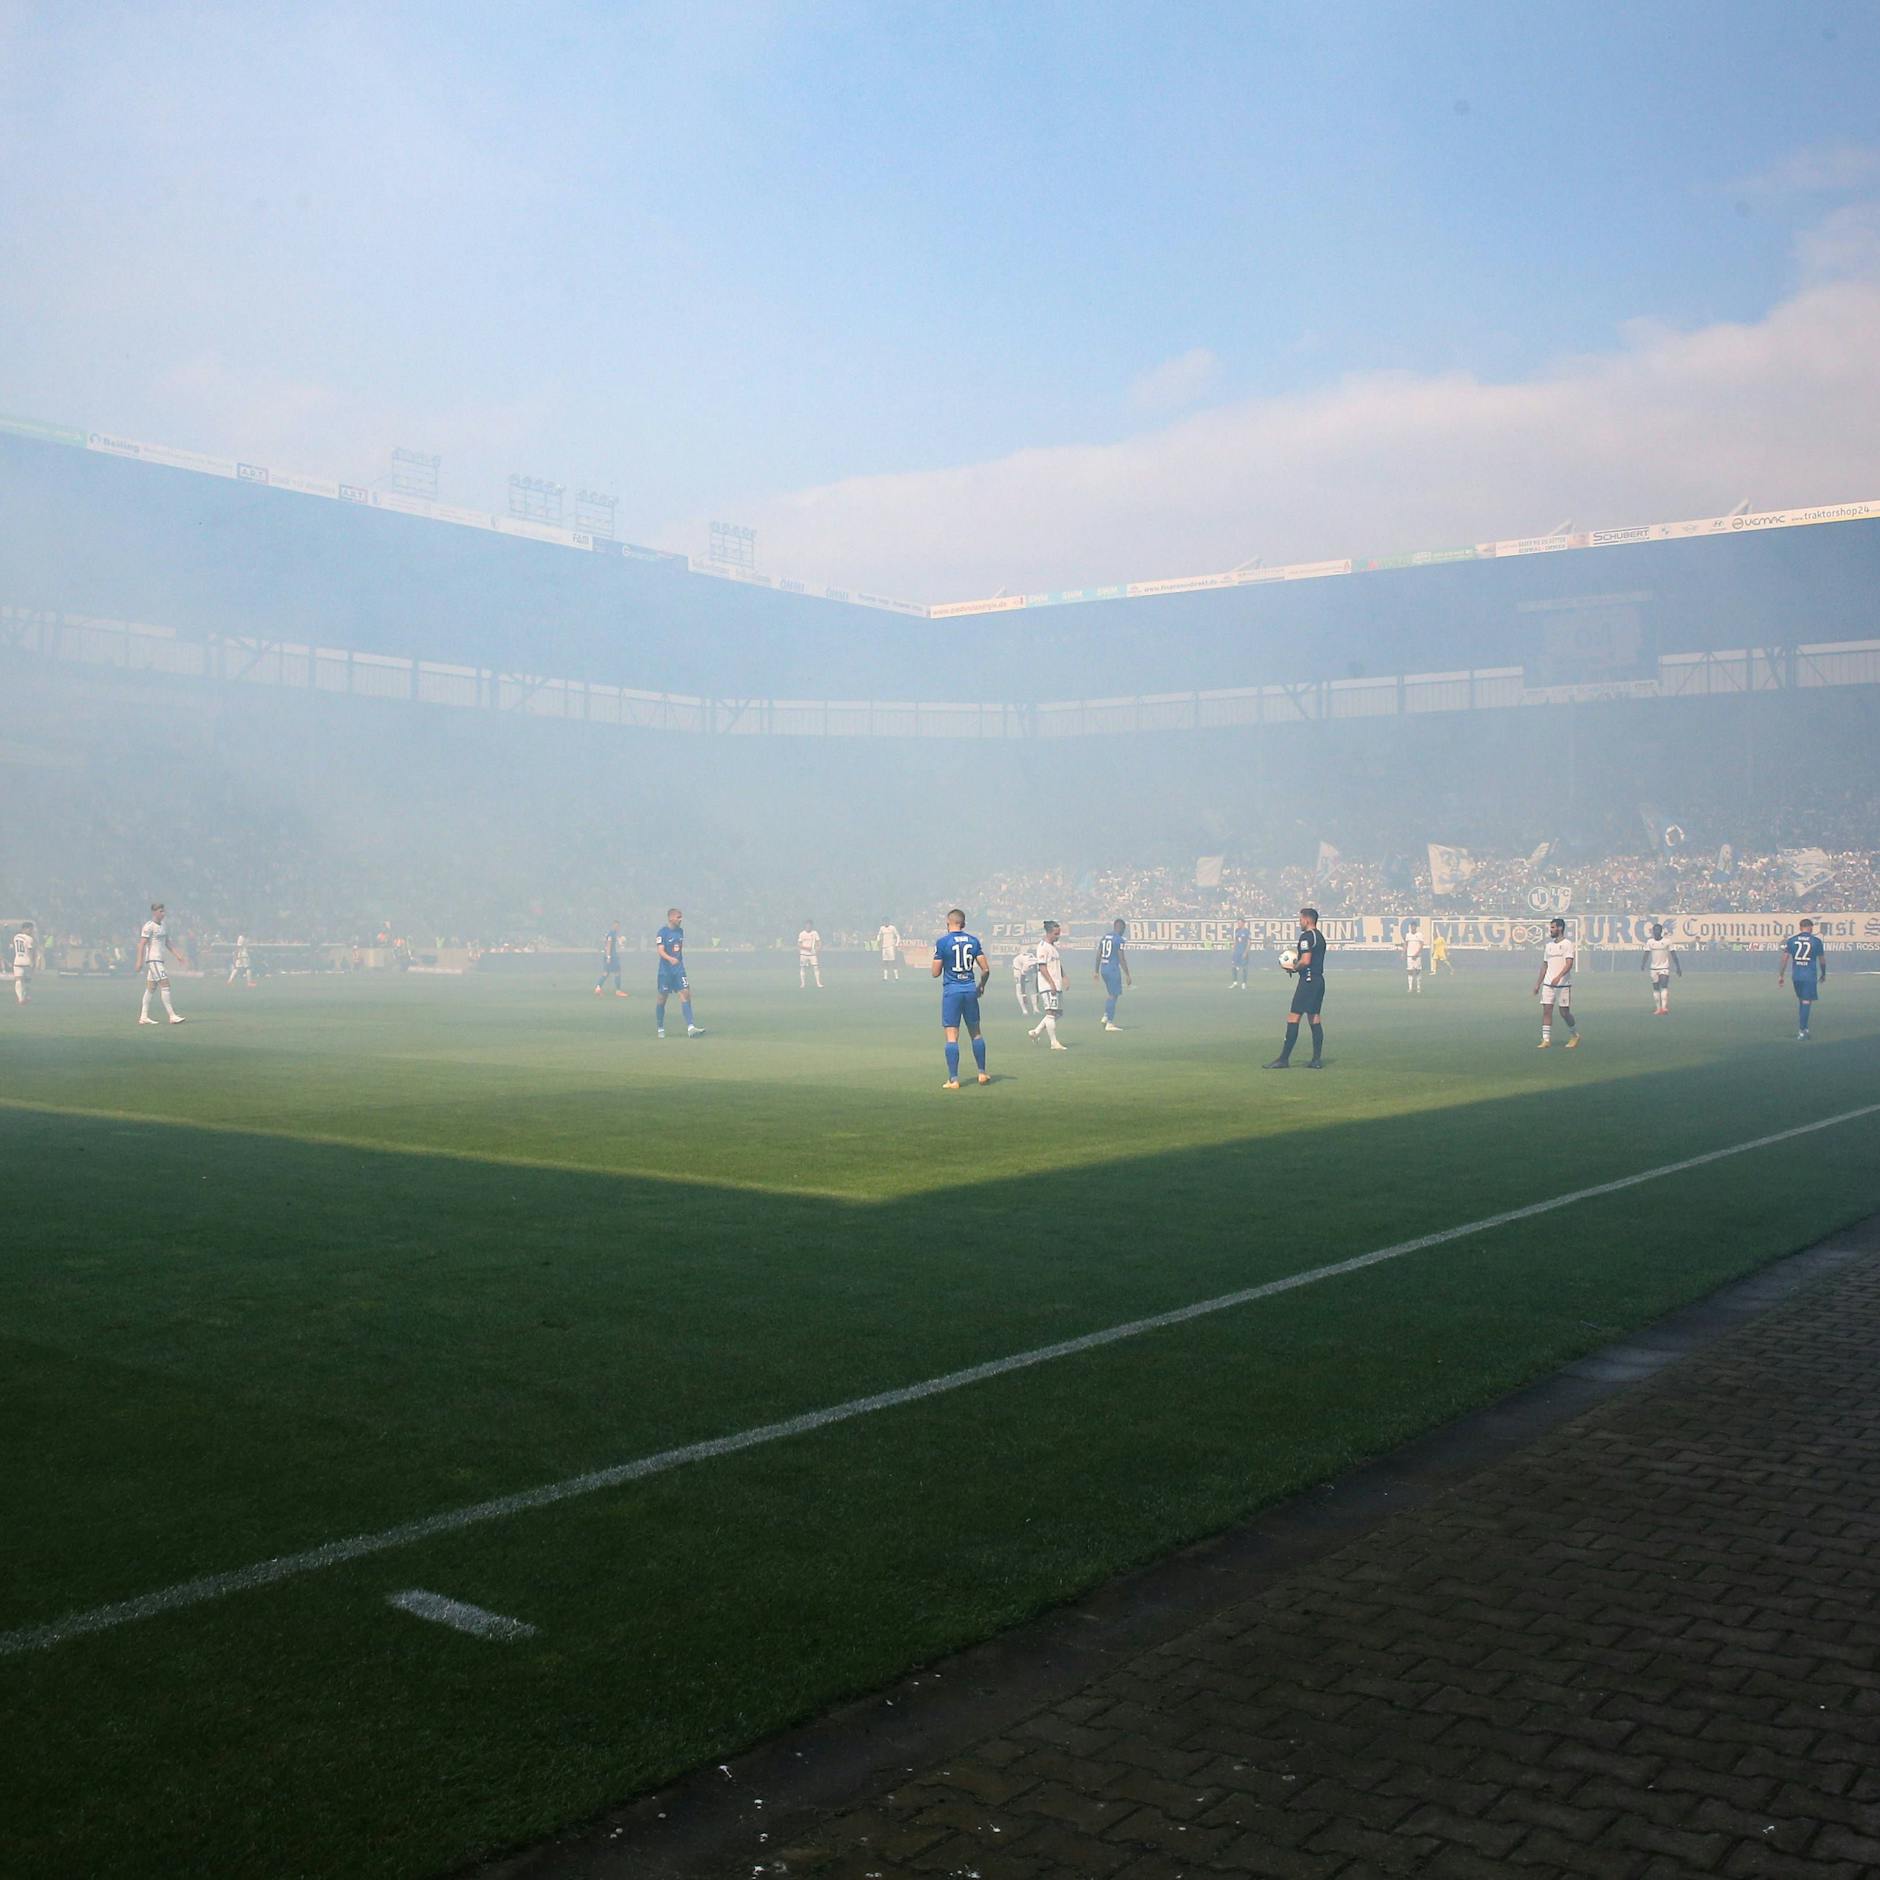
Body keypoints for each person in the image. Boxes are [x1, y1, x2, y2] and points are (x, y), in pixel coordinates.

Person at [931, 907, 991, 1088]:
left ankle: (954, 1079)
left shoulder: (943, 942)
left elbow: (935, 972)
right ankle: (982, 1073)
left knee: (952, 1036)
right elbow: (986, 969)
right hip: (970, 990)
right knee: (976, 1033)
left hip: (952, 991)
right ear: (963, 924)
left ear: (948, 923)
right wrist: (981, 985)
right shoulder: (973, 941)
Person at [1263, 907, 1326, 1069]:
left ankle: (1283, 1059)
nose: (1299, 923)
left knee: (1293, 1017)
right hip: (1318, 981)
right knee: (1314, 1018)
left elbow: (1305, 960)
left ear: (1307, 919)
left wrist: (1294, 968)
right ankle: (1316, 1060)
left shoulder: (1306, 937)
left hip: (1308, 981)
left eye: (1300, 920)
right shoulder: (1319, 936)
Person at [654, 907, 703, 1038]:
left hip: (679, 969)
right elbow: (660, 951)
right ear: (671, 918)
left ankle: (691, 1027)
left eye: (681, 917)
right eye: (678, 917)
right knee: (662, 998)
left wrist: (677, 961)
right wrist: (670, 959)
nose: (681, 919)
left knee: (685, 993)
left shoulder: (680, 931)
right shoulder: (662, 932)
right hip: (665, 971)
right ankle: (660, 1027)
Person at [136, 901, 187, 1026]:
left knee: (151, 988)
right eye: (161, 911)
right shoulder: (149, 926)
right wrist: (139, 961)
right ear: (154, 912)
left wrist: (178, 956)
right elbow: (141, 944)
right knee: (165, 984)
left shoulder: (164, 925)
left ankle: (143, 1017)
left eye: (164, 911)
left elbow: (167, 942)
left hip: (159, 959)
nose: (163, 913)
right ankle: (172, 1016)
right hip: (153, 960)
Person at [1533, 915, 1579, 1048]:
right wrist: (1538, 984)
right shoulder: (1549, 946)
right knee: (1547, 1011)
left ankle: (1574, 1035)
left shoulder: (1567, 944)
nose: (1551, 930)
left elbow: (1569, 964)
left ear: (1560, 928)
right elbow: (1545, 966)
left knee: (1564, 1012)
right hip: (1548, 984)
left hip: (1563, 984)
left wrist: (1559, 977)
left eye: (1553, 927)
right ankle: (1546, 1040)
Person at [1777, 918, 1827, 1039]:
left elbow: (1784, 958)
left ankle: (1805, 1028)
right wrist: (1823, 973)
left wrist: (1781, 975)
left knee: (1802, 1000)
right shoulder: (1816, 941)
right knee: (1806, 1001)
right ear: (1811, 928)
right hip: (1809, 975)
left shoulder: (1792, 940)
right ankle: (1802, 1030)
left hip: (1797, 975)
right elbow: (1822, 959)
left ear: (1800, 927)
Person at [1027, 920, 1069, 1049]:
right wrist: (1051, 983)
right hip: (1048, 985)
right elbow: (1042, 967)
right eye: (1056, 934)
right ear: (1049, 933)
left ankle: (1036, 1032)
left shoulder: (1053, 947)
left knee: (1058, 1013)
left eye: (1059, 933)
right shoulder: (1042, 947)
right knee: (1050, 1013)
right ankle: (1053, 1043)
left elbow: (1057, 964)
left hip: (1056, 984)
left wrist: (1064, 977)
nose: (1058, 936)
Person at [1094, 918, 1132, 1030]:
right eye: (1123, 929)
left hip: (1104, 968)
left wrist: (1096, 971)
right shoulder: (1119, 939)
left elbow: (1099, 954)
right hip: (1113, 969)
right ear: (1120, 927)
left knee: (1111, 993)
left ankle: (1106, 1016)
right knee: (1113, 995)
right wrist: (1127, 974)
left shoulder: (1105, 937)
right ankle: (1109, 1022)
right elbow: (1121, 958)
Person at [1640, 922, 1681, 1016]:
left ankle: (1664, 1007)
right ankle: (1658, 1009)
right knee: (1656, 988)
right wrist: (1643, 964)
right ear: (1653, 932)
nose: (1656, 932)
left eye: (1658, 930)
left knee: (1664, 985)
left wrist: (1678, 967)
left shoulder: (1667, 941)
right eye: (1655, 930)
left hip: (1664, 967)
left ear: (1661, 931)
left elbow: (1673, 954)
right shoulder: (1650, 942)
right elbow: (1646, 954)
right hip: (1653, 968)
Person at [594, 921, 628, 997]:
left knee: (606, 973)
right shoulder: (611, 934)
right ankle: (618, 991)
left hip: (610, 956)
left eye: (618, 926)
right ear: (613, 926)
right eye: (616, 926)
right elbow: (609, 945)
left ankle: (598, 988)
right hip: (612, 957)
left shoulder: (612, 934)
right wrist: (608, 956)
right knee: (617, 972)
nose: (617, 927)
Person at [1011, 939, 1038, 1015]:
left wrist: (1037, 993)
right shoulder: (1027, 964)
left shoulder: (1037, 961)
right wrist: (1024, 995)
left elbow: (1037, 977)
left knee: (1032, 987)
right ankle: (1024, 1010)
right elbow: (1022, 979)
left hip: (1026, 967)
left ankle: (1035, 1009)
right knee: (1019, 987)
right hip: (1018, 967)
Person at [11, 920, 35, 1004]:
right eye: (30, 929)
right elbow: (30, 951)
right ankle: (26, 996)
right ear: (24, 929)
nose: (31, 931)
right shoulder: (29, 938)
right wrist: (32, 962)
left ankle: (20, 998)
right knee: (27, 980)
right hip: (26, 961)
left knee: (18, 980)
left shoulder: (16, 936)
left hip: (17, 961)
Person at [797, 921, 823, 989]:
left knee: (816, 967)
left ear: (811, 926)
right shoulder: (802, 933)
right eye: (807, 925)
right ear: (805, 925)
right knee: (802, 968)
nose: (808, 926)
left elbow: (819, 942)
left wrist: (818, 949)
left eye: (809, 925)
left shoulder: (815, 933)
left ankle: (818, 983)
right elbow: (799, 944)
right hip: (803, 953)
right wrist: (806, 948)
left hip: (812, 953)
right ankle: (802, 984)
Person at [1403, 920, 1425, 994]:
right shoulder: (1408, 935)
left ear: (1416, 927)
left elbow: (1422, 945)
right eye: (1412, 926)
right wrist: (1403, 953)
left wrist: (1417, 953)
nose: (1413, 928)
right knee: (1410, 971)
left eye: (1414, 926)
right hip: (1409, 955)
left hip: (1417, 956)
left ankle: (1418, 988)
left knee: (1418, 971)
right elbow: (1406, 944)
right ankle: (1410, 988)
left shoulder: (1419, 935)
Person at [1229, 919, 1251, 989]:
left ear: (1243, 923)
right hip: (1237, 952)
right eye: (1238, 923)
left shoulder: (1247, 931)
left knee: (1244, 968)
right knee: (1234, 966)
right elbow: (1235, 941)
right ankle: (1235, 983)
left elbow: (1248, 943)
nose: (1238, 924)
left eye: (1239, 923)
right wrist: (1233, 949)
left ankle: (1244, 983)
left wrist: (1246, 952)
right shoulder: (1237, 930)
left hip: (1243, 952)